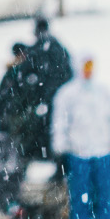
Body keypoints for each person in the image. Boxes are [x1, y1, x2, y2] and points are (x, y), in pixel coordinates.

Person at [53, 57, 110, 219]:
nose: (88, 71)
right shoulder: (67, 94)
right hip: (78, 154)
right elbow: (59, 123)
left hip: (104, 152)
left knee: (107, 198)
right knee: (81, 199)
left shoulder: (103, 92)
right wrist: (60, 150)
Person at [25, 16, 76, 151]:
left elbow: (30, 71)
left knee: (48, 124)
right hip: (60, 93)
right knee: (59, 125)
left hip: (48, 94)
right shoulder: (58, 46)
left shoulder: (39, 48)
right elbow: (69, 70)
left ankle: (47, 151)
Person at [0, 44, 47, 164]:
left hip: (25, 114)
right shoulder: (14, 73)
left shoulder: (27, 71)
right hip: (16, 115)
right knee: (17, 143)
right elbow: (3, 97)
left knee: (24, 143)